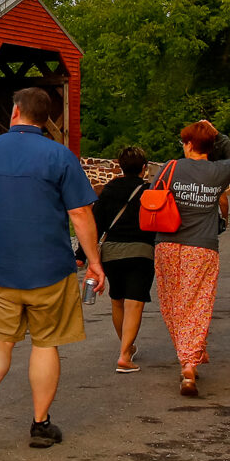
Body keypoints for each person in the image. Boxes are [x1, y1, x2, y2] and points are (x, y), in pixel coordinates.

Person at [0, 87, 104, 457]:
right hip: (49, 268)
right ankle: (40, 424)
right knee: (45, 343)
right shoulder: (60, 156)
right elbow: (80, 214)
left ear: (15, 111)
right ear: (46, 119)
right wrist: (95, 262)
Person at [152, 120, 230, 397]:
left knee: (171, 304)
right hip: (202, 248)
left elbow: (154, 195)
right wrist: (219, 135)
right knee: (197, 303)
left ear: (189, 144)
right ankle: (190, 358)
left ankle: (188, 358)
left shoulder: (169, 168)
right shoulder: (219, 171)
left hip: (166, 244)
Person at [80, 146, 154, 372]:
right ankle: (124, 354)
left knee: (117, 300)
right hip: (142, 252)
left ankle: (127, 347)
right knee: (135, 302)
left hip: (111, 253)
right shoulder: (149, 190)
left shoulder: (109, 189)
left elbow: (95, 224)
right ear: (144, 168)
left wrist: (81, 255)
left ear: (119, 166)